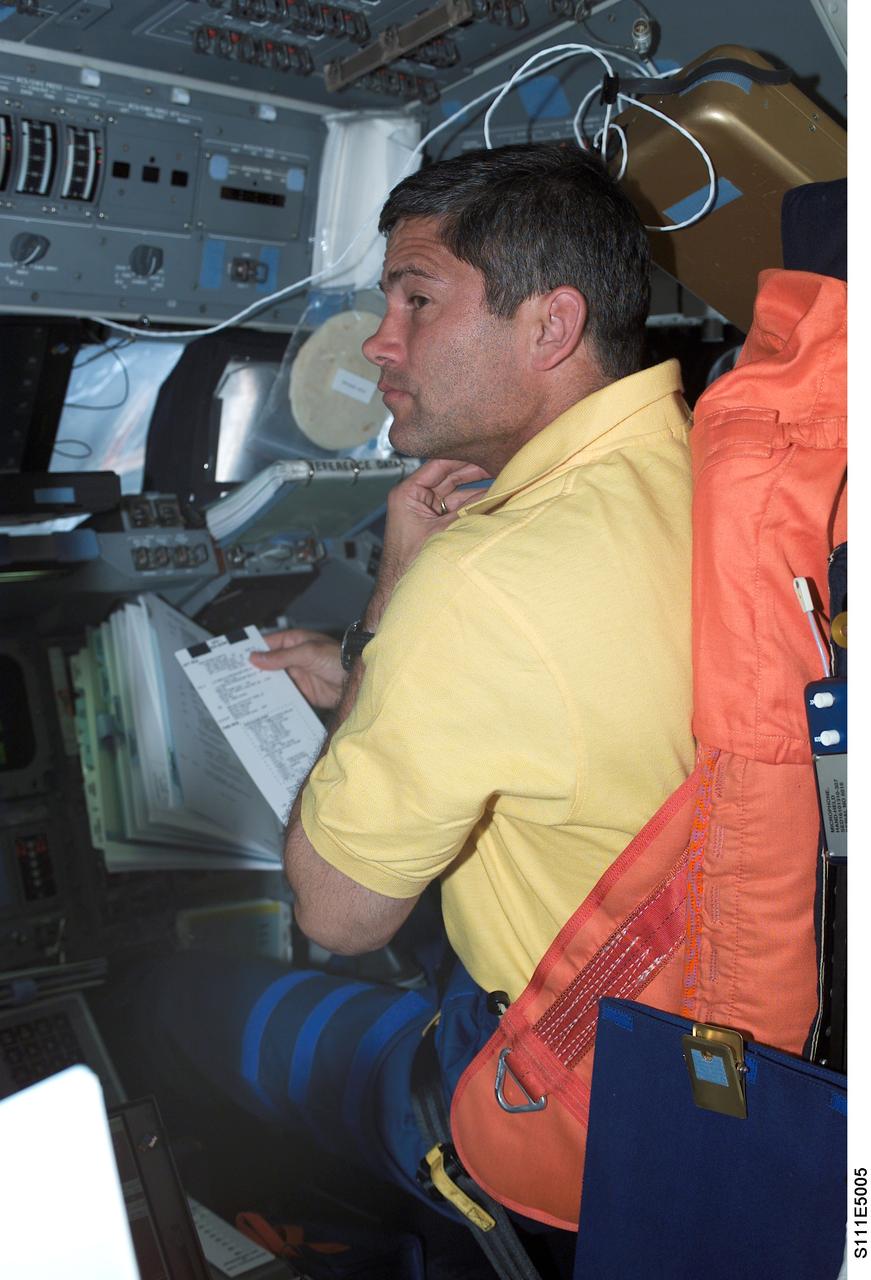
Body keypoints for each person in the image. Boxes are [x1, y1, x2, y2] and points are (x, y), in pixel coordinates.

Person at [136, 142, 694, 1229]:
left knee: (171, 999)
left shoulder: (483, 582)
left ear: (551, 326)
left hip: (555, 1097)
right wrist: (374, 677)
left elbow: (334, 912)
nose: (380, 346)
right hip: (683, 1007)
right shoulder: (702, 469)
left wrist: (402, 600)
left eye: (417, 301)